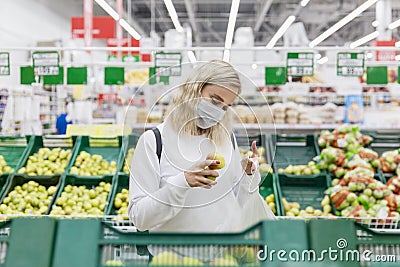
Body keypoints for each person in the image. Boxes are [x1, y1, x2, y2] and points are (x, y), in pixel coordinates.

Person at [128, 60, 272, 261]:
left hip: (222, 259)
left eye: (225, 107)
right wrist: (183, 182)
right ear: (193, 89)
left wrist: (248, 176)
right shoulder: (154, 141)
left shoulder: (225, 139)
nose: (218, 112)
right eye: (214, 100)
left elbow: (235, 205)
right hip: (172, 261)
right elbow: (140, 219)